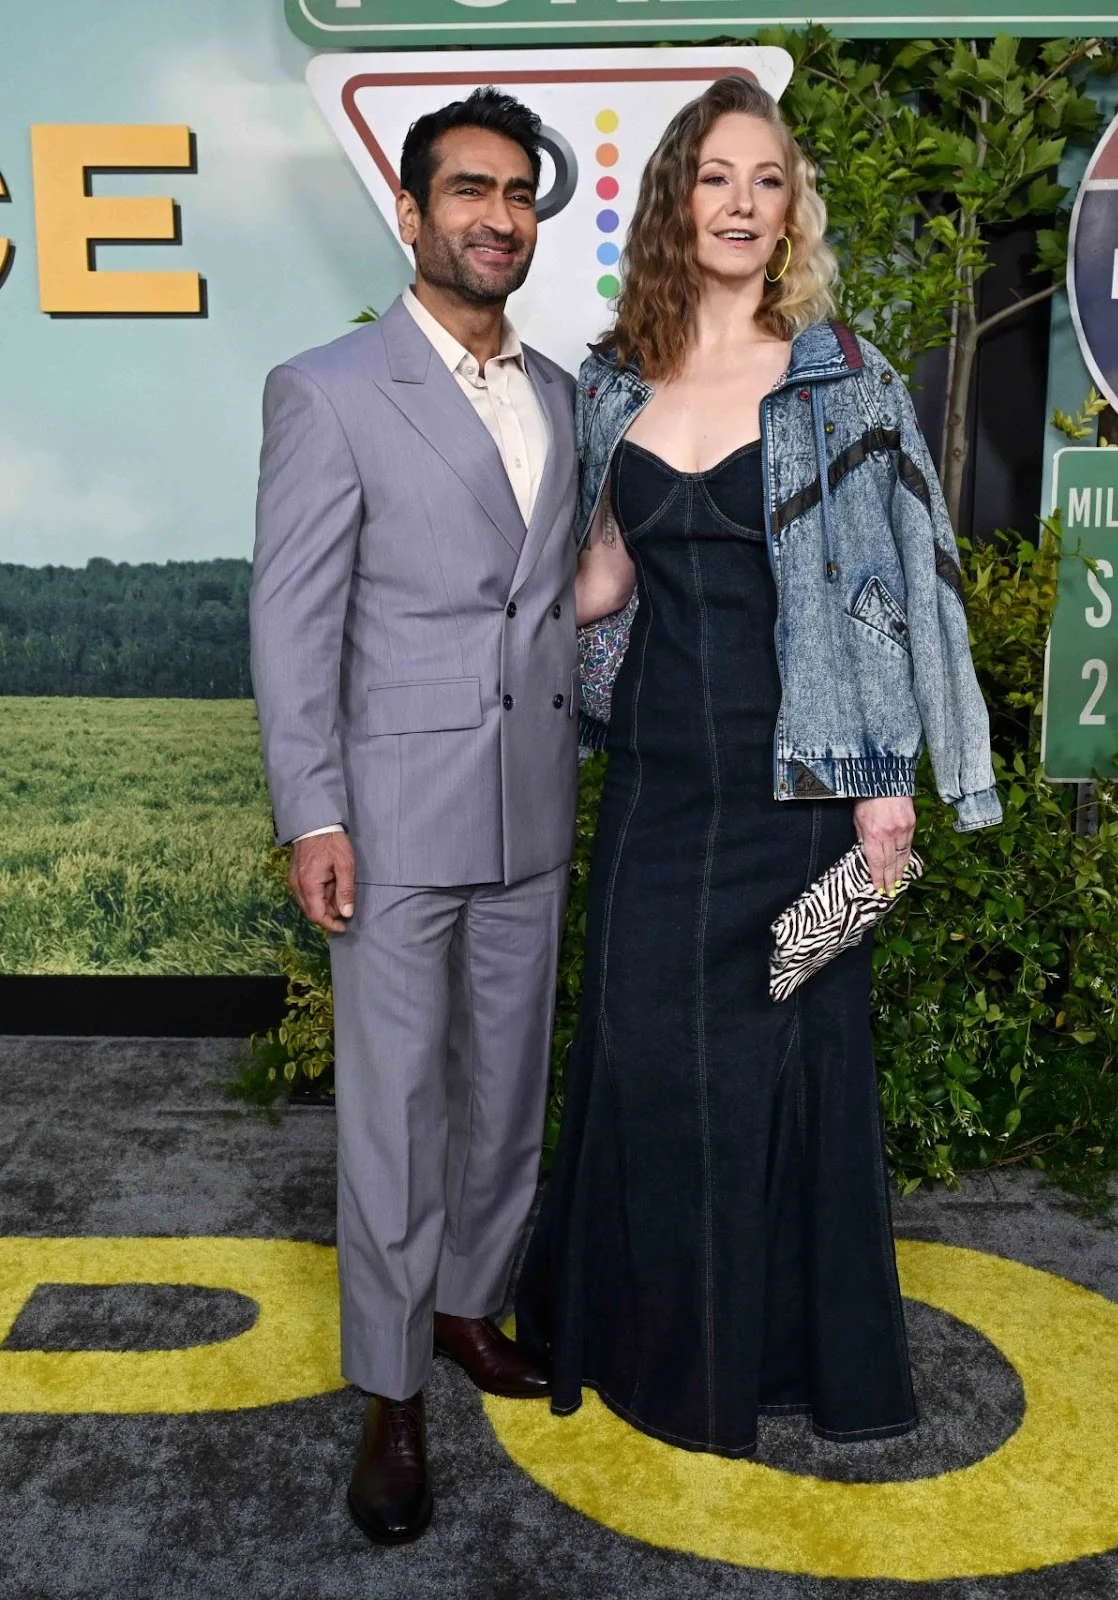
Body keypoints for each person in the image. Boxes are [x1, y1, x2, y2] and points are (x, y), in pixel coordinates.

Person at [516, 75, 1001, 1459]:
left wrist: (888, 785)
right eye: (717, 177)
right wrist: (465, 634)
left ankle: (768, 1360)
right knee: (643, 1055)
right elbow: (606, 574)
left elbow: (898, 585)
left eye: (767, 180)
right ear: (678, 199)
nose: (741, 203)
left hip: (801, 790)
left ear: (793, 213)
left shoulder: (844, 378)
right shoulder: (617, 381)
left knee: (776, 1063)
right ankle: (642, 1342)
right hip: (655, 786)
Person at [250, 89, 580, 1543]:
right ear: (411, 210)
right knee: (394, 1114)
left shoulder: (562, 392)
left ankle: (467, 1306)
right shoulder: (327, 389)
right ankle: (390, 1391)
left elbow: (555, 592)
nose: (497, 216)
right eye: (468, 190)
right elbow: (291, 621)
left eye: (516, 194)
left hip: (532, 807)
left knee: (506, 1092)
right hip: (388, 817)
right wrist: (312, 812)